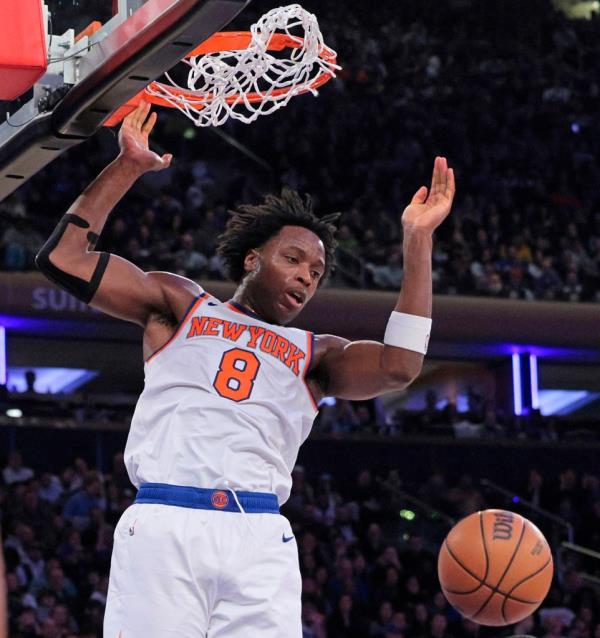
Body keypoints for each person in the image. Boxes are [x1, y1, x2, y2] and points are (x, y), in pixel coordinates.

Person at [35, 101, 455, 637]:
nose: (306, 276)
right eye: (294, 259)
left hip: (259, 535)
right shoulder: (181, 304)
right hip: (167, 522)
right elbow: (63, 258)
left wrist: (418, 244)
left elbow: (400, 367)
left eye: (318, 272)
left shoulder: (318, 353)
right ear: (253, 258)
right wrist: (128, 167)